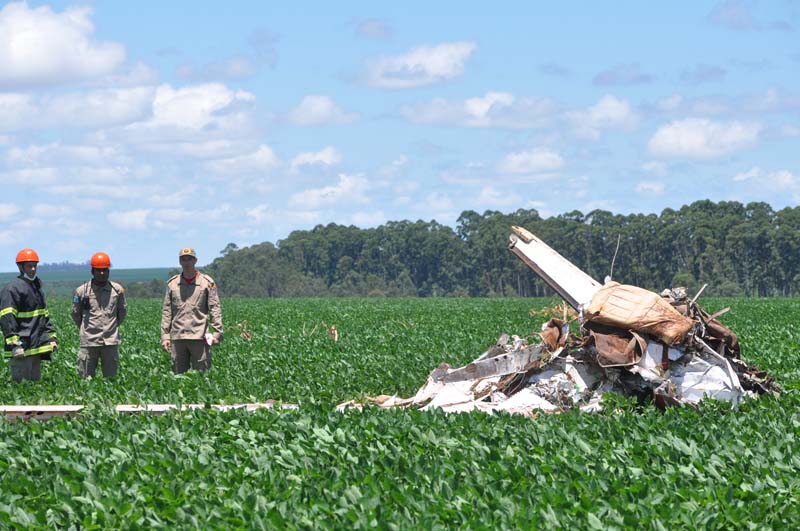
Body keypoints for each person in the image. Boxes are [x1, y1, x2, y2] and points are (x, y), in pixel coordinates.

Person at [161, 247, 223, 373]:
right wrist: (165, 336)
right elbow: (167, 311)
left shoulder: (208, 283)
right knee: (178, 376)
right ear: (180, 262)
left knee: (202, 376)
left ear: (195, 261)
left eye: (190, 259)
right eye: (183, 259)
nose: (186, 262)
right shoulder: (172, 284)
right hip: (178, 336)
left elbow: (215, 308)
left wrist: (217, 333)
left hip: (199, 336)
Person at [0, 248, 58, 382]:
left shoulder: (36, 288)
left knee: (34, 389)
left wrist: (51, 338)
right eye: (29, 266)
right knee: (21, 390)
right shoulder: (12, 289)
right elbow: (7, 318)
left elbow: (44, 317)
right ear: (20, 267)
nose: (33, 269)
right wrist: (15, 344)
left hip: (36, 348)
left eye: (34, 266)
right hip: (21, 349)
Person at [71, 252, 127, 378]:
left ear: (108, 271)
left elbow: (122, 312)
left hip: (110, 341)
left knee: (111, 379)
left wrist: (112, 327)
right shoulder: (81, 291)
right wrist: (85, 328)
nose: (102, 273)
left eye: (105, 270)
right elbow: (76, 314)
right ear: (92, 271)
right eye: (98, 270)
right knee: (85, 380)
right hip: (89, 341)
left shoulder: (117, 290)